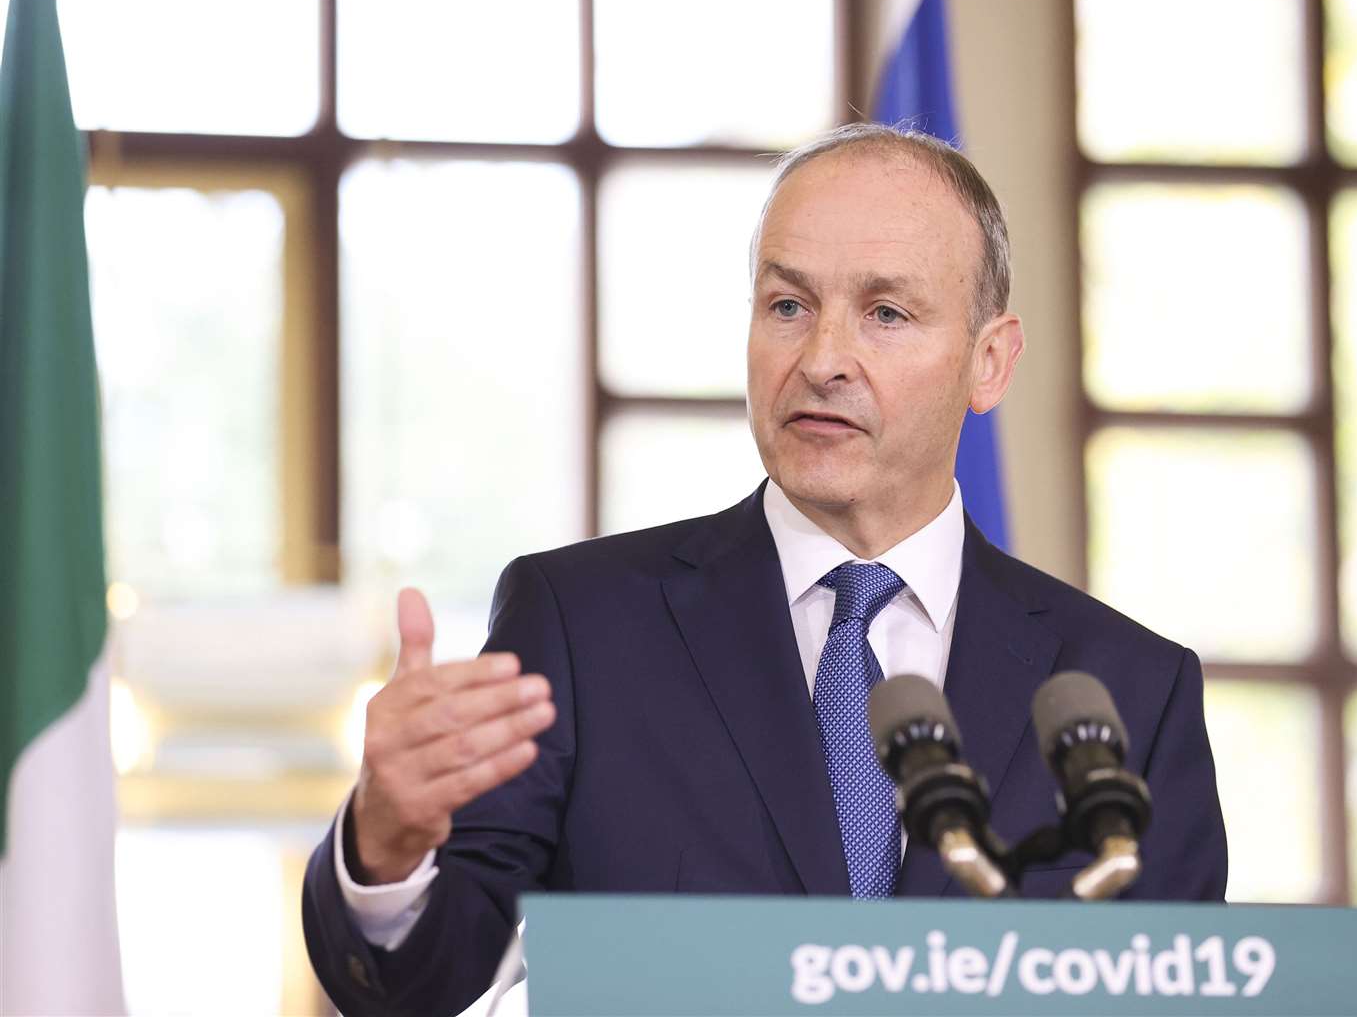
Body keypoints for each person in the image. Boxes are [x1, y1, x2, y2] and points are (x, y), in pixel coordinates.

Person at [302, 124, 1227, 1016]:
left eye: (887, 313)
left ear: (990, 363)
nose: (822, 360)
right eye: (787, 306)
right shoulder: (583, 628)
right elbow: (417, 985)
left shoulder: (1131, 693)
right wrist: (384, 846)